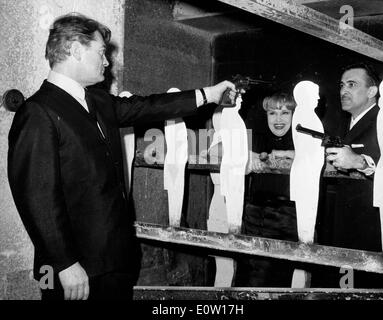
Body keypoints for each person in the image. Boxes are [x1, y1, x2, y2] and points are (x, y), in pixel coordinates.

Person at [7, 13, 236, 300]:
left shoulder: (97, 99)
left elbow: (148, 107)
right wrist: (64, 263)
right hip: (73, 270)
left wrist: (208, 95)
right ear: (76, 50)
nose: (106, 62)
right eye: (101, 53)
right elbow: (35, 197)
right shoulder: (37, 112)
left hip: (115, 261)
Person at [318, 63, 383, 288]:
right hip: (347, 224)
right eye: (342, 85)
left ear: (372, 92)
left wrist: (359, 162)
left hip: (372, 226)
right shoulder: (347, 122)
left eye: (352, 85)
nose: (344, 91)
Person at [234, 92, 298, 287]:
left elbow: (321, 155)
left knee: (278, 280)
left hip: (288, 219)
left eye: (285, 113)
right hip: (254, 216)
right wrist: (246, 155)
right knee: (249, 278)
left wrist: (286, 154)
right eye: (272, 113)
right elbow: (215, 149)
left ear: (294, 115)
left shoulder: (302, 139)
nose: (278, 119)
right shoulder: (258, 137)